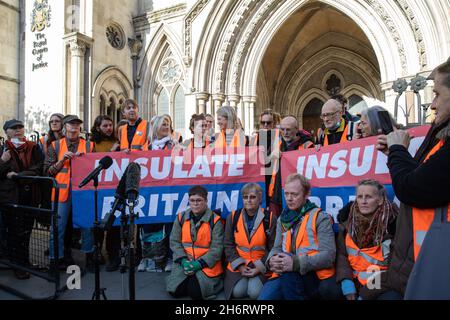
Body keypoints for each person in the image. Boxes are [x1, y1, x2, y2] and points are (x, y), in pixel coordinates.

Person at [374, 59, 450, 299]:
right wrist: (396, 152)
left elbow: (412, 188)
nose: (433, 104)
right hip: (425, 258)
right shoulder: (441, 135)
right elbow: (420, 175)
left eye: (437, 94)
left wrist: (397, 152)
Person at [258, 174, 342, 300]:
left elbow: (329, 256)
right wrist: (271, 260)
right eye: (286, 194)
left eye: (294, 194)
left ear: (306, 194)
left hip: (312, 273)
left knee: (288, 274)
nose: (289, 198)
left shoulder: (320, 217)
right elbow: (276, 247)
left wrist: (296, 263)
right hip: (286, 271)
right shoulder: (282, 219)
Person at [44, 115, 95, 271]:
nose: (74, 127)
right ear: (64, 126)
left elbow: (97, 168)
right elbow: (47, 171)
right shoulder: (55, 146)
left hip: (83, 192)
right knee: (57, 228)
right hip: (62, 192)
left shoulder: (89, 146)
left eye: (77, 124)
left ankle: (90, 258)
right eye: (71, 124)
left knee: (88, 226)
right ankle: (55, 260)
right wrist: (62, 161)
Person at [336, 179, 398, 300]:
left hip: (382, 282)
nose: (363, 201)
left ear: (380, 200)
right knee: (328, 289)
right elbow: (342, 255)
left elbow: (396, 269)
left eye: (368, 197)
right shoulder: (347, 222)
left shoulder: (393, 225)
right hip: (354, 279)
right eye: (360, 197)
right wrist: (346, 281)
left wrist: (366, 293)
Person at [0, 119, 43, 279]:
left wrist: (19, 176)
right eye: (14, 128)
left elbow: (39, 167)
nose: (18, 130)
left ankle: (24, 262)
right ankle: (18, 265)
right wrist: (3, 161)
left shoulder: (33, 147)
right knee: (14, 233)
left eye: (20, 127)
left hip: (30, 196)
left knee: (26, 232)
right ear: (7, 132)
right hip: (10, 198)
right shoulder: (3, 149)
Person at [167, 185, 224, 300]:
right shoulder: (181, 218)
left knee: (196, 294)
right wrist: (183, 261)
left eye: (199, 200)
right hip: (186, 261)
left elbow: (217, 248)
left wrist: (198, 264)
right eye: (192, 200)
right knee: (175, 291)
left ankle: (217, 283)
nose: (195, 204)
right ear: (189, 201)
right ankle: (189, 279)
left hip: (206, 264)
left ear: (206, 201)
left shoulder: (215, 220)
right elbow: (174, 242)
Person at [224, 183, 277, 299]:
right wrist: (240, 266)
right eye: (245, 197)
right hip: (240, 264)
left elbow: (274, 247)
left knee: (254, 293)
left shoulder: (270, 218)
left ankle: (255, 278)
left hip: (261, 263)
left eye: (252, 197)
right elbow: (228, 244)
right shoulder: (233, 217)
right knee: (237, 292)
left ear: (260, 199)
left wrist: (259, 267)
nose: (248, 200)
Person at [90, 115, 121, 271]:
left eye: (110, 125)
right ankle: (96, 254)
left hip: (114, 188)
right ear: (97, 127)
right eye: (105, 126)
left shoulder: (118, 142)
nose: (109, 128)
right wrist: (111, 151)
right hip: (97, 189)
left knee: (113, 224)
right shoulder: (91, 144)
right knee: (96, 224)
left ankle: (113, 256)